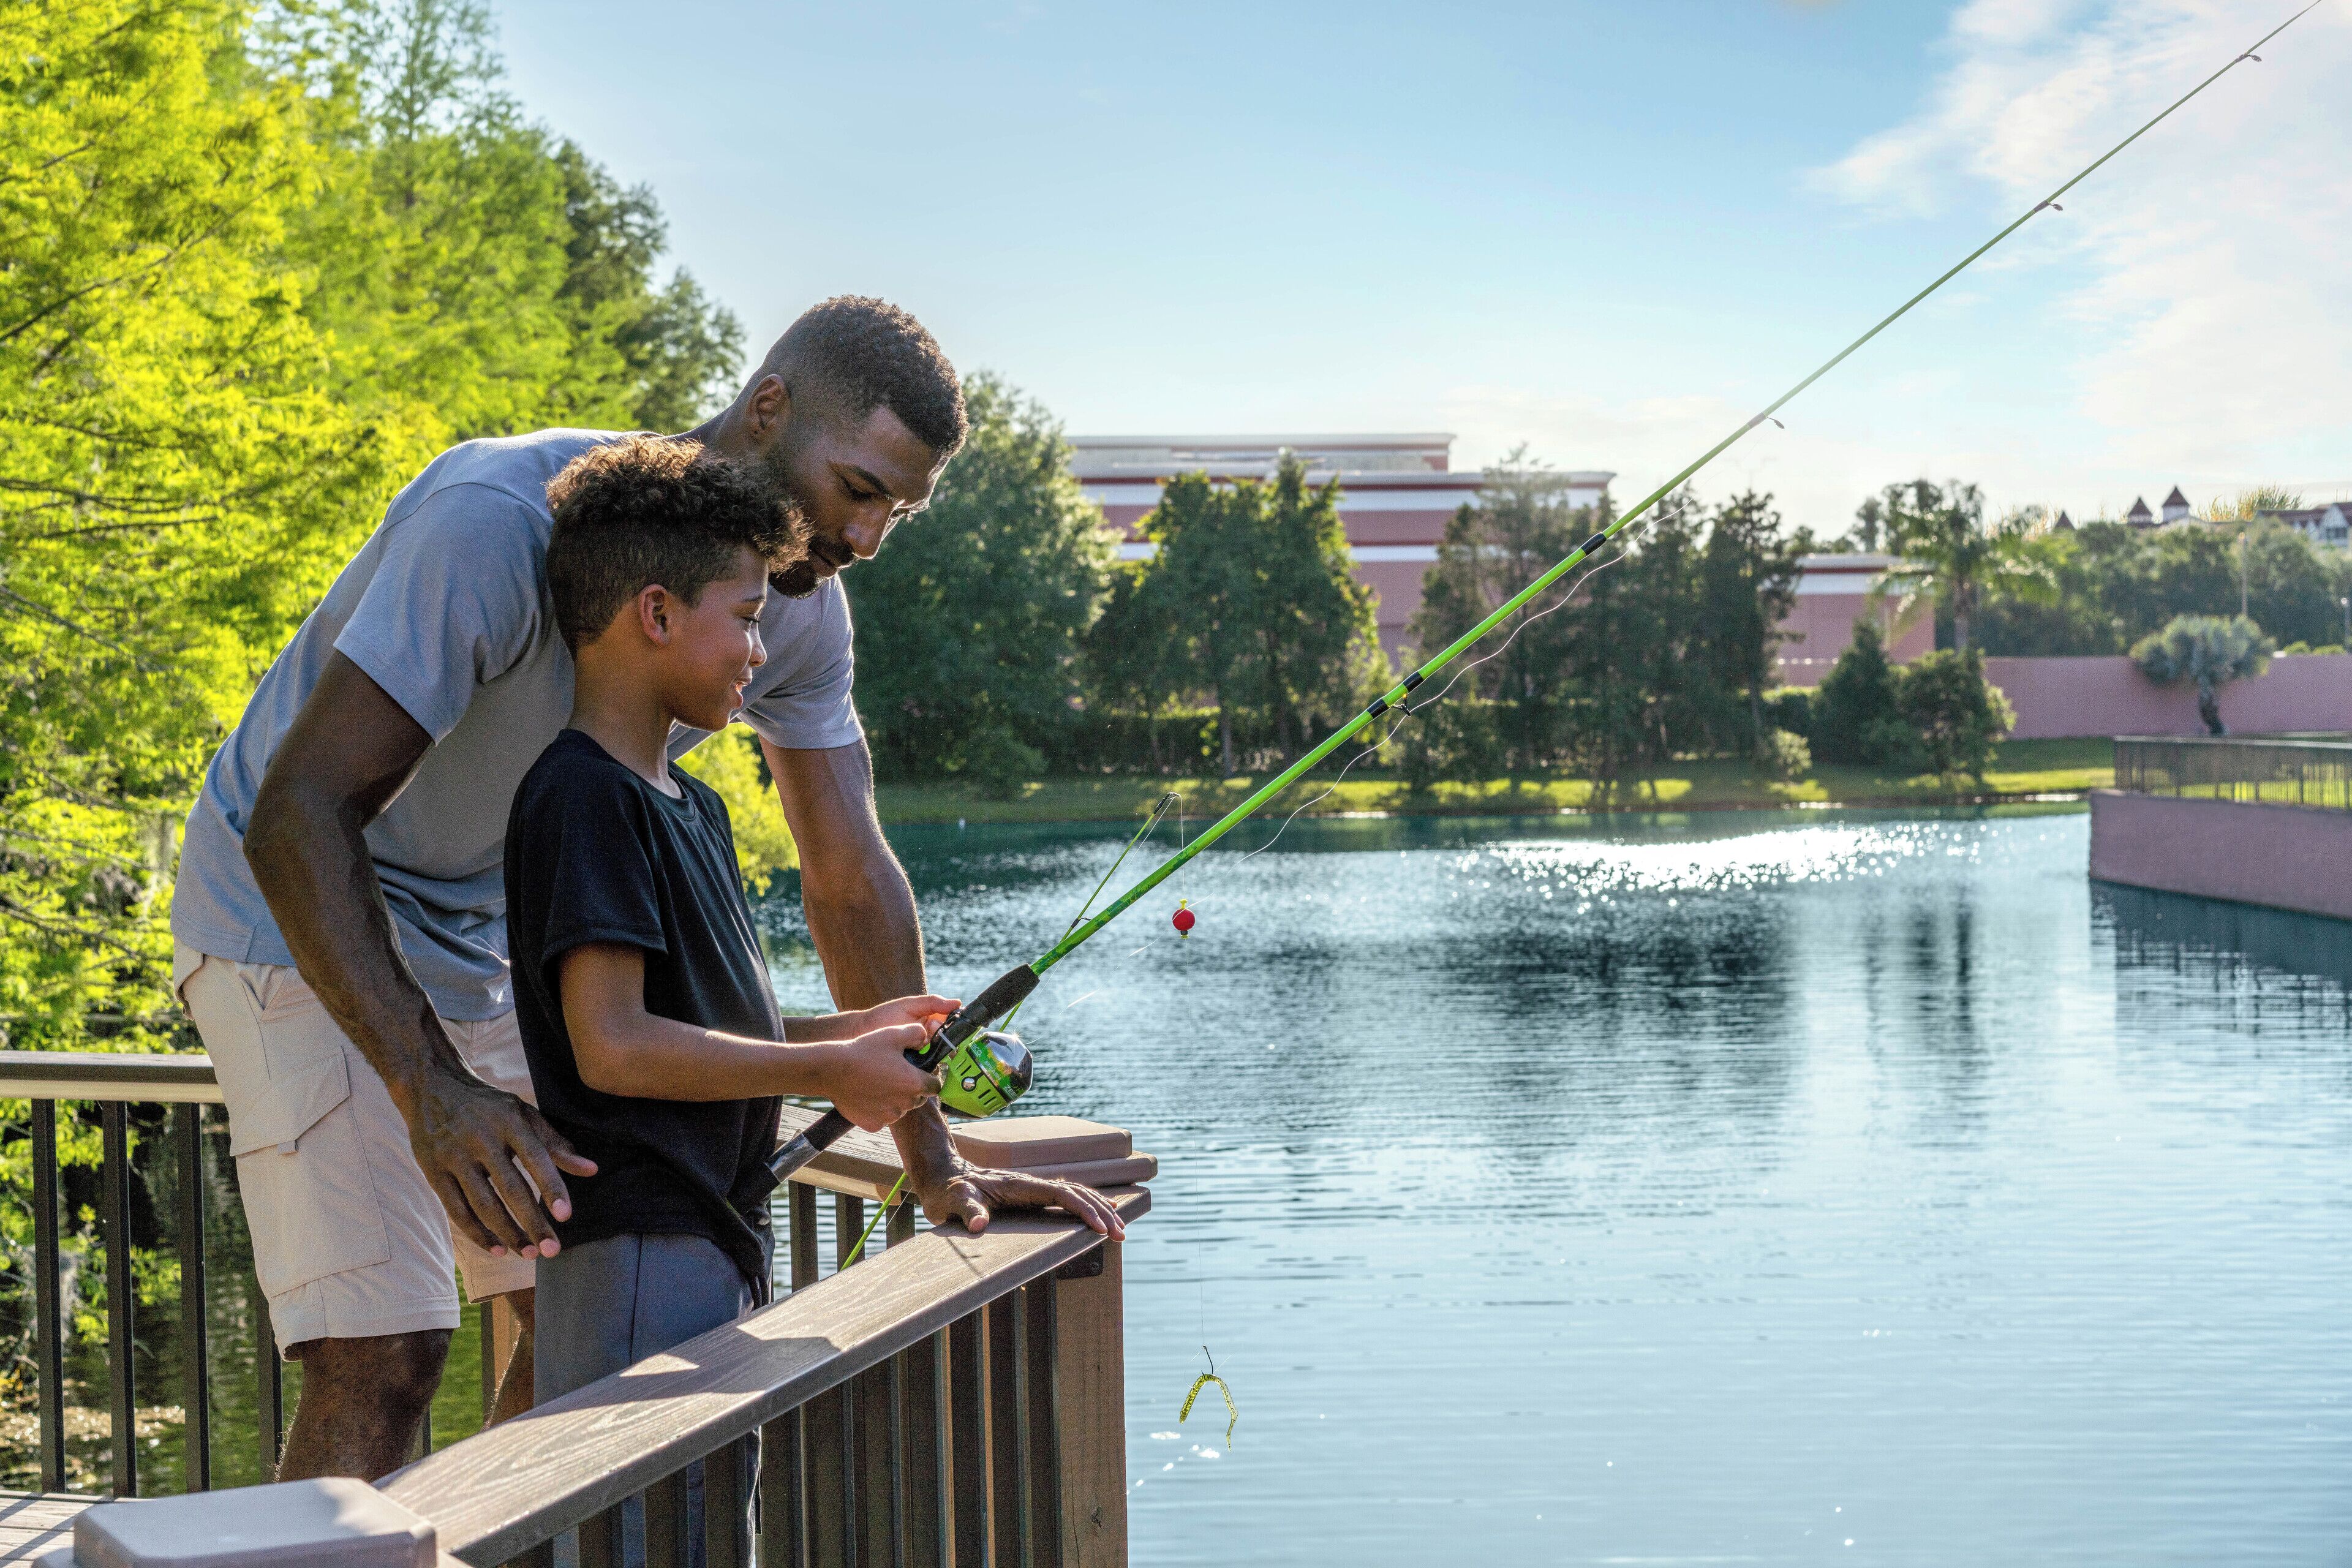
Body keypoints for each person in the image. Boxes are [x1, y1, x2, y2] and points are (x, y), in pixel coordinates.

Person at [172, 296, 1125, 1481]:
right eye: (860, 487)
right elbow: (300, 810)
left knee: (575, 1307)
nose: (870, 536)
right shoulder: (497, 520)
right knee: (390, 1350)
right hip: (291, 907)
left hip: (492, 940)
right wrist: (431, 1090)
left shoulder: (793, 609)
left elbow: (846, 874)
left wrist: (934, 1161)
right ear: (766, 406)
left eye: (901, 510)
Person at [511, 436, 952, 1554]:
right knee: (648, 1539)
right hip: (635, 1258)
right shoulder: (582, 798)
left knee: (713, 1529)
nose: (762, 649)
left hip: (710, 1244)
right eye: (747, 616)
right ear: (655, 613)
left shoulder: (688, 807)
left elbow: (712, 1027)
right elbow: (610, 1045)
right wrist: (824, 1074)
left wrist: (856, 1031)